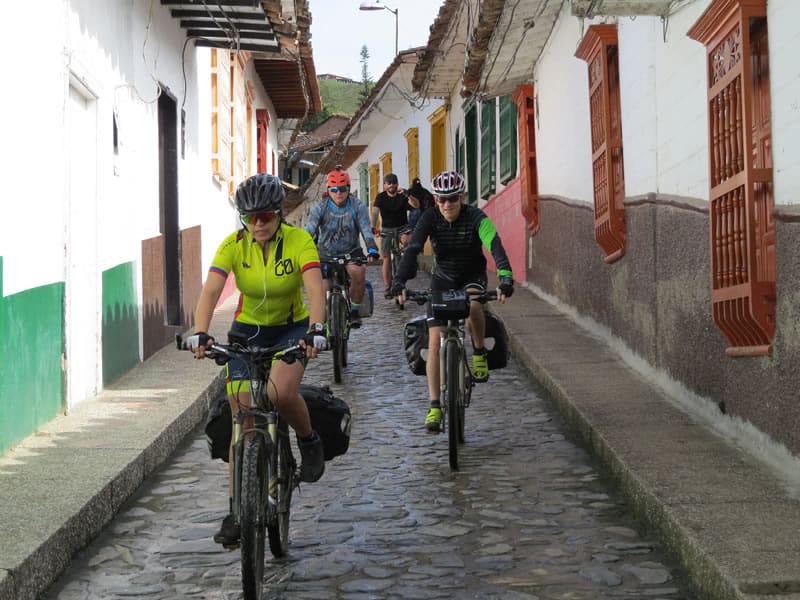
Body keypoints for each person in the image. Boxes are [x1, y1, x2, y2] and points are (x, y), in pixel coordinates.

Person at [185, 173, 328, 546]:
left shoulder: (300, 241)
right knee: (241, 412)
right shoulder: (233, 245)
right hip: (247, 331)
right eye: (251, 217)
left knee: (279, 394)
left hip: (292, 328)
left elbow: (315, 288)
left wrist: (316, 328)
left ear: (279, 213)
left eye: (265, 215)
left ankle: (308, 439)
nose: (259, 223)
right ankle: (237, 509)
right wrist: (200, 331)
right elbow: (211, 289)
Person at [389, 170, 515, 433]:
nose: (447, 204)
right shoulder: (429, 218)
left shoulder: (477, 218)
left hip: (471, 274)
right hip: (443, 278)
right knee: (435, 340)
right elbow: (413, 248)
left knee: (475, 305)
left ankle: (479, 352)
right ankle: (435, 406)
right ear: (435, 200)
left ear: (462, 197)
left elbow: (495, 245)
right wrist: (400, 281)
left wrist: (505, 278)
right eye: (442, 199)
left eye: (453, 198)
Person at [304, 166, 379, 328]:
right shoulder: (320, 208)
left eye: (343, 189)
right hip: (325, 253)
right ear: (329, 190)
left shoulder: (357, 206)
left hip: (351, 252)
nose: (339, 193)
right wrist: (300, 248)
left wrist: (372, 248)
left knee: (359, 273)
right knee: (322, 289)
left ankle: (354, 311)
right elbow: (309, 230)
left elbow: (366, 229)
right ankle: (321, 324)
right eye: (334, 189)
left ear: (348, 189)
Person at [370, 173, 420, 298]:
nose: (391, 185)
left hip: (403, 227)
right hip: (387, 229)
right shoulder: (380, 197)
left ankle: (408, 260)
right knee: (386, 258)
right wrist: (372, 225)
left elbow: (416, 206)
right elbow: (375, 212)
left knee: (407, 241)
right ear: (385, 185)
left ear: (397, 184)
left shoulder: (402, 196)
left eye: (393, 182)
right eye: (389, 182)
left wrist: (408, 194)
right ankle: (387, 287)